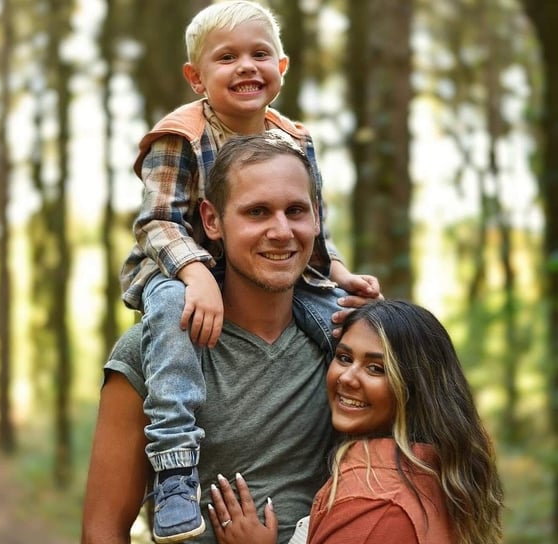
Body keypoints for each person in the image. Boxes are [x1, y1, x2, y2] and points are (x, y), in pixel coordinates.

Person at [118, 2, 379, 542]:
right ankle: (174, 466)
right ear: (196, 78)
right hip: (175, 271)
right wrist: (195, 273)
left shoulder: (296, 140)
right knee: (170, 315)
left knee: (349, 322)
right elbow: (157, 224)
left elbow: (315, 232)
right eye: (227, 57)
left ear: (282, 68)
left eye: (260, 54)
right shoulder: (178, 137)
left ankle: (369, 461)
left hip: (273, 278)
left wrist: (341, 273)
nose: (246, 67)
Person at [82, 133, 376, 544]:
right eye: (257, 212)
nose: (281, 231)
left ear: (316, 218)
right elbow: (102, 532)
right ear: (212, 220)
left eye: (296, 211)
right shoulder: (151, 352)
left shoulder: (348, 348)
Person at [207, 300, 505, 544]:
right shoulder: (434, 469)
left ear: (415, 387)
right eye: (345, 358)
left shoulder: (374, 506)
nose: (347, 378)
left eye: (376, 368)